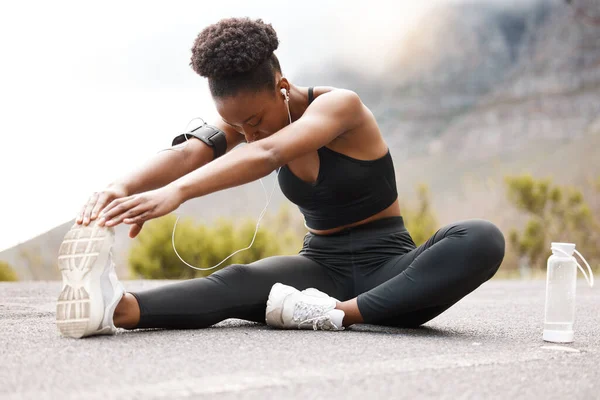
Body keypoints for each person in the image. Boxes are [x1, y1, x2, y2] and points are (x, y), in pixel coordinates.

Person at [56, 17, 505, 339]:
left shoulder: (340, 107)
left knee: (481, 238)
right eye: (238, 126)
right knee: (234, 282)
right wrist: (121, 187)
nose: (249, 134)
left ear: (282, 87)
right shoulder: (248, 123)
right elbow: (187, 153)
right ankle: (113, 309)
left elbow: (270, 152)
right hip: (318, 267)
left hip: (390, 272)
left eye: (254, 119)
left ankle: (337, 315)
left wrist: (176, 195)